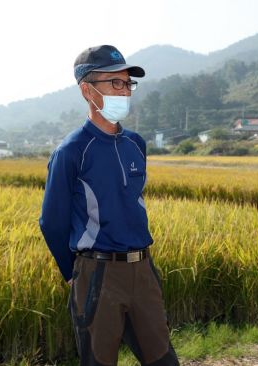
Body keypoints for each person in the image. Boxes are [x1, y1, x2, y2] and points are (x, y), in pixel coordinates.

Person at [39, 45, 179, 366]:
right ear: (88, 90)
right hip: (97, 273)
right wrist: (72, 274)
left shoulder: (135, 144)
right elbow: (51, 221)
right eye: (114, 83)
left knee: (163, 359)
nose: (124, 91)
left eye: (128, 84)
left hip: (143, 269)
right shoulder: (72, 150)